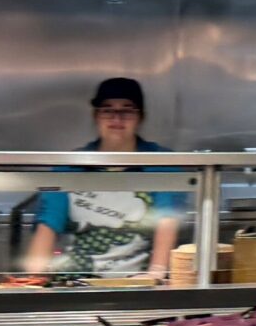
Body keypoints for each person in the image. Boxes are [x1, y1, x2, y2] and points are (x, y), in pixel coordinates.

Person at [20, 78, 187, 280]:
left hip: (137, 286)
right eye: (107, 109)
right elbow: (48, 224)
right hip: (74, 286)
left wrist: (155, 274)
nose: (117, 119)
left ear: (140, 117)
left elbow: (167, 222)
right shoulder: (70, 166)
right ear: (96, 116)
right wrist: (33, 280)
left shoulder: (161, 164)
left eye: (127, 110)